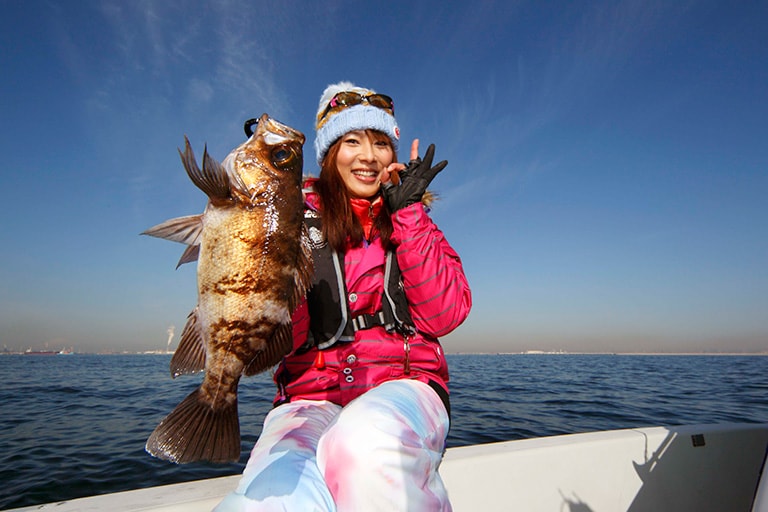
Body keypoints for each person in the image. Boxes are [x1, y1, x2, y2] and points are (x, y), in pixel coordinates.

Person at [216, 82, 472, 511]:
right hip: (306, 397)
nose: (368, 156)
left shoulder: (412, 217)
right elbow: (285, 334)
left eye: (380, 143)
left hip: (404, 386)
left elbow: (446, 313)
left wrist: (407, 213)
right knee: (267, 499)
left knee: (364, 444)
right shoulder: (289, 213)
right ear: (329, 153)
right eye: (351, 141)